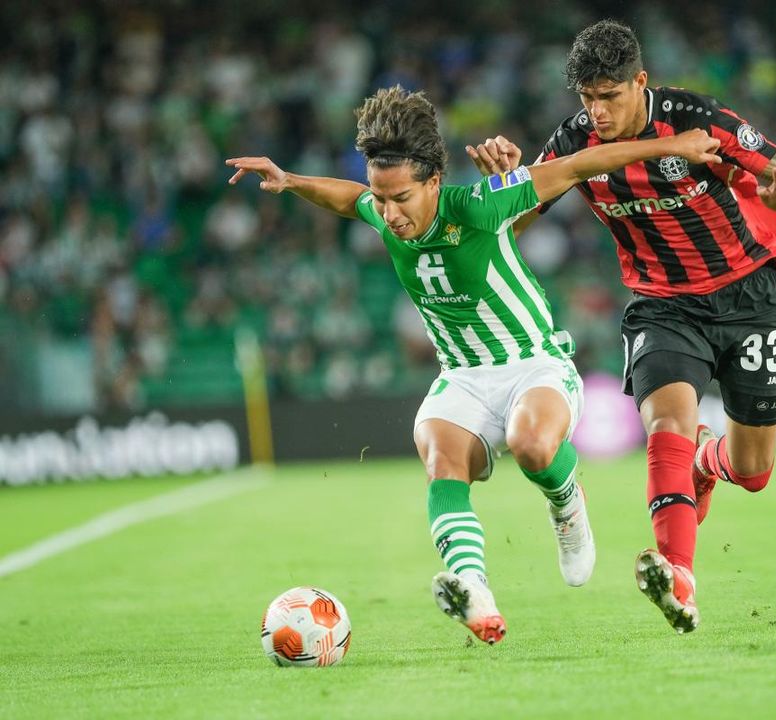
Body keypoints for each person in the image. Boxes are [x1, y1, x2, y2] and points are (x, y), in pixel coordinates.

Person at [225, 85, 725, 644]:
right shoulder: (383, 208)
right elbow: (348, 199)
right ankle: (475, 592)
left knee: (531, 444)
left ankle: (567, 506)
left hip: (535, 364)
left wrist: (669, 146)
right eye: (381, 199)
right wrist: (290, 180)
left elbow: (579, 164)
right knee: (439, 456)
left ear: (434, 182)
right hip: (462, 376)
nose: (388, 213)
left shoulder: (480, 205)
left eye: (400, 198)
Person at [467, 20, 776, 634]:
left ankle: (708, 462)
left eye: (610, 96)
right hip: (662, 304)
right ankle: (678, 575)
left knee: (754, 471)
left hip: (748, 296)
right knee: (666, 426)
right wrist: (504, 183)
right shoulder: (574, 142)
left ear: (640, 82)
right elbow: (511, 224)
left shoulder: (697, 120)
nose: (597, 112)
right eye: (587, 98)